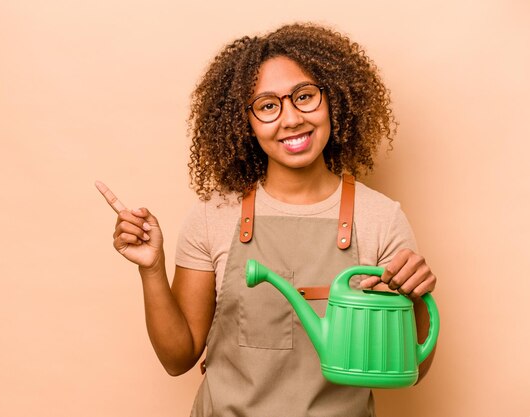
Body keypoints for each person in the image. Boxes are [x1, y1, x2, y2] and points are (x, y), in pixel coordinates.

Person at [97, 22, 437, 417]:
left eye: (305, 96)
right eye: (267, 105)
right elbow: (178, 359)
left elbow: (411, 370)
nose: (291, 119)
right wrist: (152, 270)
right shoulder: (212, 217)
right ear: (246, 122)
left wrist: (416, 300)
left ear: (334, 101)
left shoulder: (381, 218)